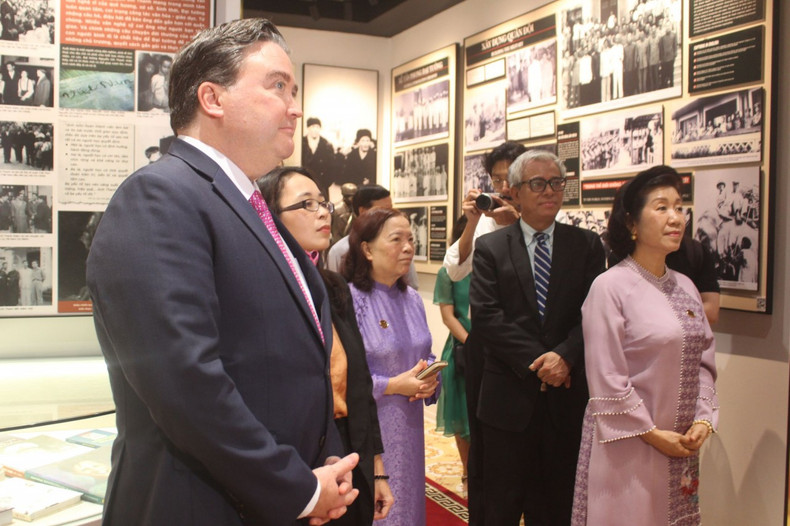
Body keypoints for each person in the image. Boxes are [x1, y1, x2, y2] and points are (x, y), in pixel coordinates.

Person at [85, 18, 359, 525]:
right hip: (197, 504)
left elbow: (290, 360)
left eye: (294, 90)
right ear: (213, 98)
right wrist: (295, 487)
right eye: (278, 86)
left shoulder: (246, 205)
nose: (295, 107)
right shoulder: (161, 196)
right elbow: (184, 382)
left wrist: (324, 463)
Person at [572, 165, 718, 526]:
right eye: (661, 207)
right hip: (627, 446)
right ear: (632, 224)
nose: (676, 218)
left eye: (679, 206)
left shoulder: (686, 286)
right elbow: (606, 377)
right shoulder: (609, 287)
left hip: (680, 443)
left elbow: (704, 361)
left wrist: (702, 418)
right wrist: (652, 435)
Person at [469, 150, 606, 525]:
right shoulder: (492, 248)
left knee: (559, 505)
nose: (550, 191)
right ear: (514, 191)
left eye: (557, 182)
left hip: (567, 399)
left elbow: (595, 314)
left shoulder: (587, 245)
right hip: (507, 402)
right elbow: (486, 316)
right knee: (501, 505)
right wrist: (542, 361)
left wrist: (565, 357)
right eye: (537, 183)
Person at [258, 165, 394, 525]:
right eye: (306, 204)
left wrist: (377, 469)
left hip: (349, 449)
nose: (322, 212)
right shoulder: (260, 290)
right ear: (268, 216)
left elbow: (360, 383)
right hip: (294, 457)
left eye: (323, 203)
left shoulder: (333, 286)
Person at [442, 140, 525, 525]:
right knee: (487, 442)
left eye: (510, 178)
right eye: (496, 179)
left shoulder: (545, 220)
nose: (503, 187)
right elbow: (456, 270)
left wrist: (520, 227)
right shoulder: (487, 220)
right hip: (488, 347)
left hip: (534, 350)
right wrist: (474, 220)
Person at [342, 207, 439, 526]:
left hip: (410, 426)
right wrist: (393, 385)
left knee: (408, 506)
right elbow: (341, 377)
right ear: (367, 249)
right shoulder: (348, 301)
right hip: (370, 431)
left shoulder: (411, 298)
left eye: (411, 239)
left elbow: (423, 354)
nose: (408, 247)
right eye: (396, 239)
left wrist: (430, 379)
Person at [433, 214, 471, 495]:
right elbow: (448, 315)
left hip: (497, 349)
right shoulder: (448, 271)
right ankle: (468, 471)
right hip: (462, 348)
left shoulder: (492, 263)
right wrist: (472, 342)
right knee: (461, 415)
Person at [327, 184, 418, 289]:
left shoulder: (402, 247)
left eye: (391, 210)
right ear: (363, 211)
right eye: (383, 210)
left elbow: (412, 284)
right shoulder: (340, 250)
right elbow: (336, 291)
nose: (390, 215)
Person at [302, 117, 339, 197]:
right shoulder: (301, 143)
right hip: (304, 183)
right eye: (312, 127)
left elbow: (332, 166)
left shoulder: (326, 145)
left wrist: (326, 182)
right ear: (308, 128)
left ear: (320, 129)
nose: (315, 129)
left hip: (322, 185)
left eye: (317, 127)